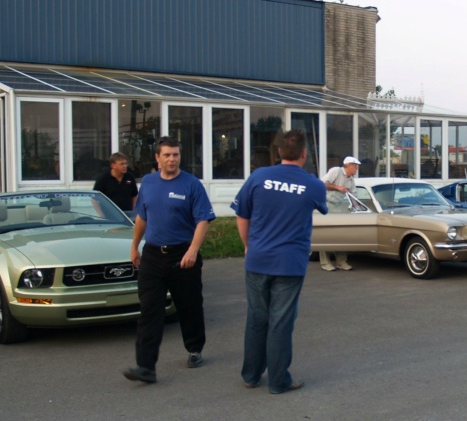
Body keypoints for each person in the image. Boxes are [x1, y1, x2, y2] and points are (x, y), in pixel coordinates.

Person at [231, 130, 328, 395]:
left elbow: (241, 214)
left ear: (278, 153)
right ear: (304, 154)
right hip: (290, 263)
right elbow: (321, 207)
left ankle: (251, 375)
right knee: (280, 322)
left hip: (258, 259)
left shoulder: (259, 176)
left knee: (256, 319)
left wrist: (248, 245)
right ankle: (278, 381)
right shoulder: (313, 185)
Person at [123, 137, 215, 384]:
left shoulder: (191, 184)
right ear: (157, 158)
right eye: (167, 155)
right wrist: (134, 246)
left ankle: (195, 348)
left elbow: (203, 220)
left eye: (175, 154)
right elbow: (142, 217)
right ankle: (146, 367)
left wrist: (193, 251)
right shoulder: (149, 183)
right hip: (153, 256)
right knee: (149, 311)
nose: (172, 159)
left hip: (183, 255)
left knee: (190, 306)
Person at [318, 155, 361, 271]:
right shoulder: (335, 171)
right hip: (325, 204)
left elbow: (353, 197)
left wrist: (358, 209)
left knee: (340, 234)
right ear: (349, 166)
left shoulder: (351, 180)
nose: (356, 169)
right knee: (325, 234)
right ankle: (325, 262)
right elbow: (321, 184)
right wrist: (338, 187)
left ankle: (341, 262)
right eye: (355, 166)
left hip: (338, 207)